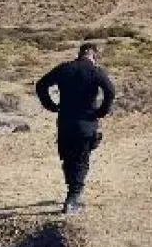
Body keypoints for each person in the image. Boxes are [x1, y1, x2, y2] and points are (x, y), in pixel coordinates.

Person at [35, 43, 116, 215]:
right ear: (94, 55)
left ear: (79, 54)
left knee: (68, 158)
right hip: (86, 122)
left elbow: (41, 85)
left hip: (65, 121)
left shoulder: (65, 68)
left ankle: (72, 192)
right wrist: (101, 111)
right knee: (81, 159)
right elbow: (110, 91)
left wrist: (50, 105)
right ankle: (72, 199)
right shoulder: (95, 71)